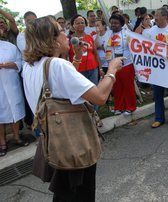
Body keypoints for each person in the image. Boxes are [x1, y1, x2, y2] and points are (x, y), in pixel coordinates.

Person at [22, 16, 124, 201]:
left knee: (64, 194)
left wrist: (76, 58)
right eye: (60, 30)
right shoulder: (58, 65)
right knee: (80, 194)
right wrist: (112, 70)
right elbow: (100, 97)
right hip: (73, 142)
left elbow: (63, 87)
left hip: (55, 140)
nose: (65, 33)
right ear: (51, 39)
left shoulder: (30, 66)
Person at [0, 39, 28, 157]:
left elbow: (20, 62)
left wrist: (7, 65)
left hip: (12, 84)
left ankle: (17, 137)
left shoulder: (10, 46)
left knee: (15, 110)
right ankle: (2, 143)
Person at [106, 14, 136, 115]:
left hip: (127, 64)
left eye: (116, 23)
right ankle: (119, 107)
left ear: (121, 24)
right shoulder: (108, 34)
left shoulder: (127, 34)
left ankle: (130, 107)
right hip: (113, 65)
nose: (113, 25)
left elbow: (133, 46)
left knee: (128, 86)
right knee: (117, 86)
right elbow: (107, 48)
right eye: (112, 22)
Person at [69, 14, 102, 86]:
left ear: (85, 25)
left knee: (94, 90)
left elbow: (96, 54)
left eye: (82, 23)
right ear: (73, 26)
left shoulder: (89, 37)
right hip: (78, 71)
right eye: (77, 23)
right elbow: (65, 56)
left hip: (93, 69)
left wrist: (100, 68)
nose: (80, 24)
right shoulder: (70, 40)